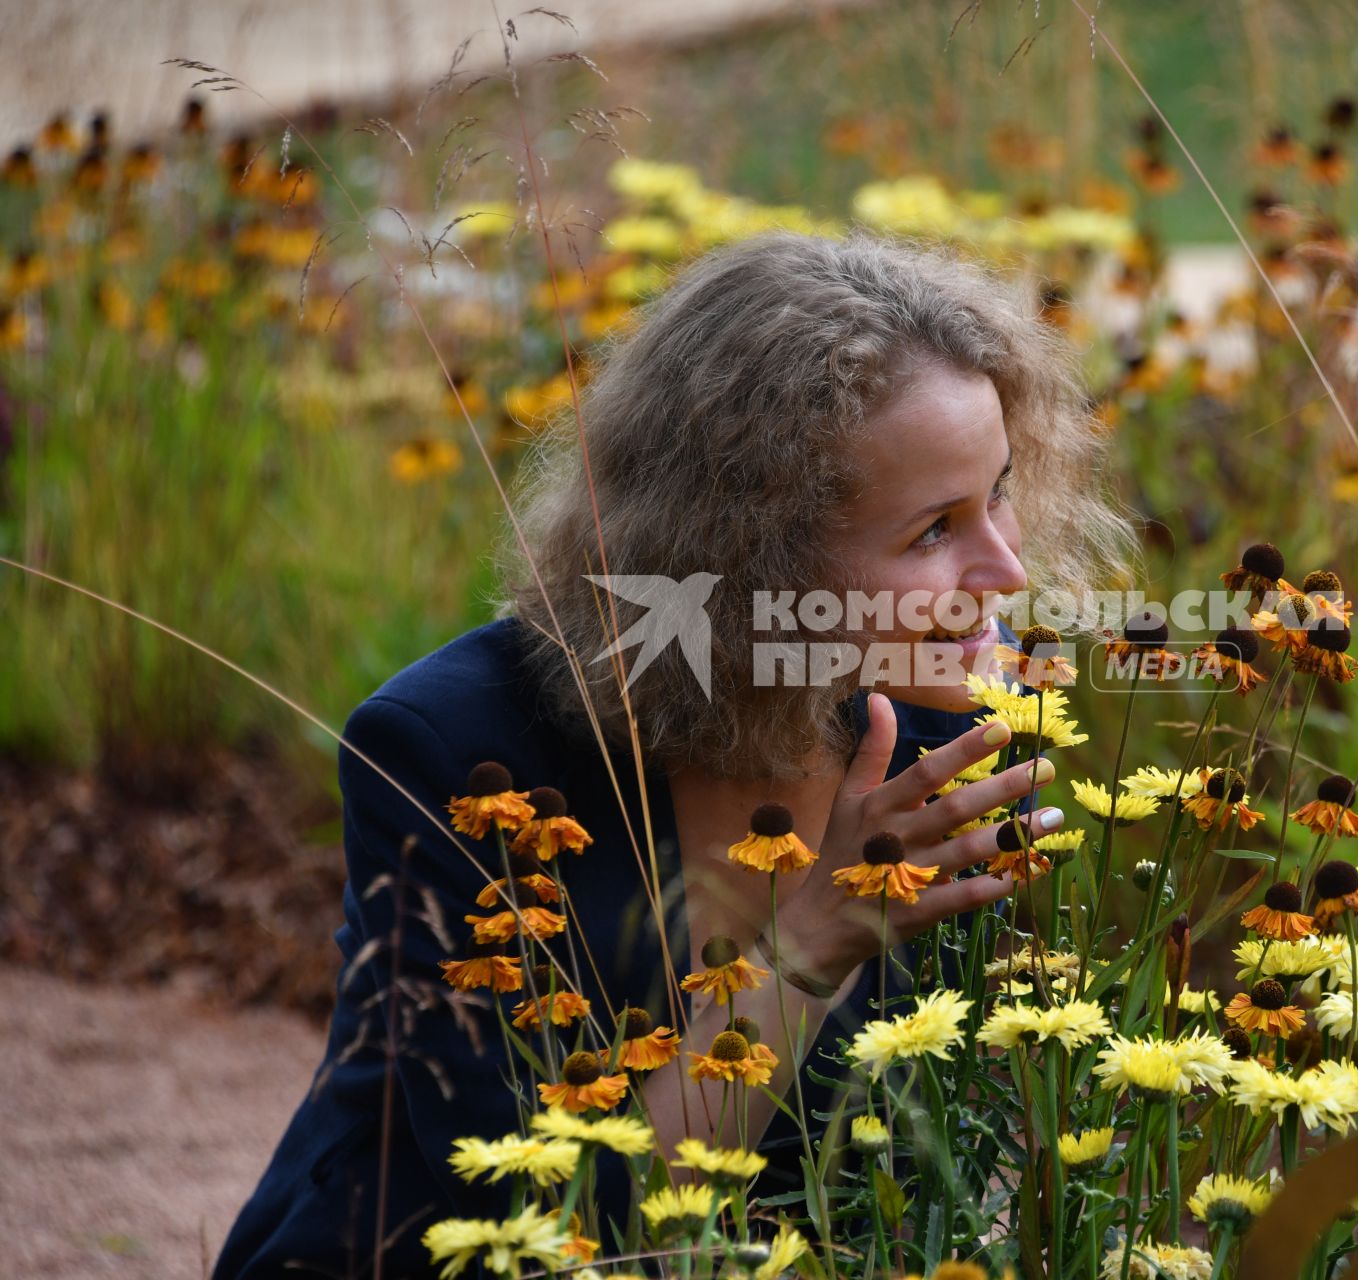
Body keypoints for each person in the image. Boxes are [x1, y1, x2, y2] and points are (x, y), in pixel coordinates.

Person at [216, 230, 1135, 1277]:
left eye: (1000, 491)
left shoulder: (935, 732)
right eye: (933, 530)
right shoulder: (454, 752)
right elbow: (556, 1226)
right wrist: (813, 940)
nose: (1007, 573)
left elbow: (936, 1164)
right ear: (755, 558)